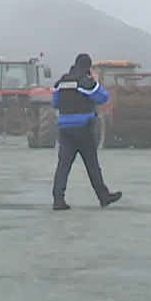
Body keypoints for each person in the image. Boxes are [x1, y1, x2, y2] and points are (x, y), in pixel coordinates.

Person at [51, 53, 121, 210]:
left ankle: (58, 199)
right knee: (92, 165)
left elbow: (55, 103)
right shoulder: (85, 82)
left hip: (65, 129)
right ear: (88, 68)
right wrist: (95, 81)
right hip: (83, 129)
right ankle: (103, 196)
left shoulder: (61, 82)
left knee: (63, 165)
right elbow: (103, 97)